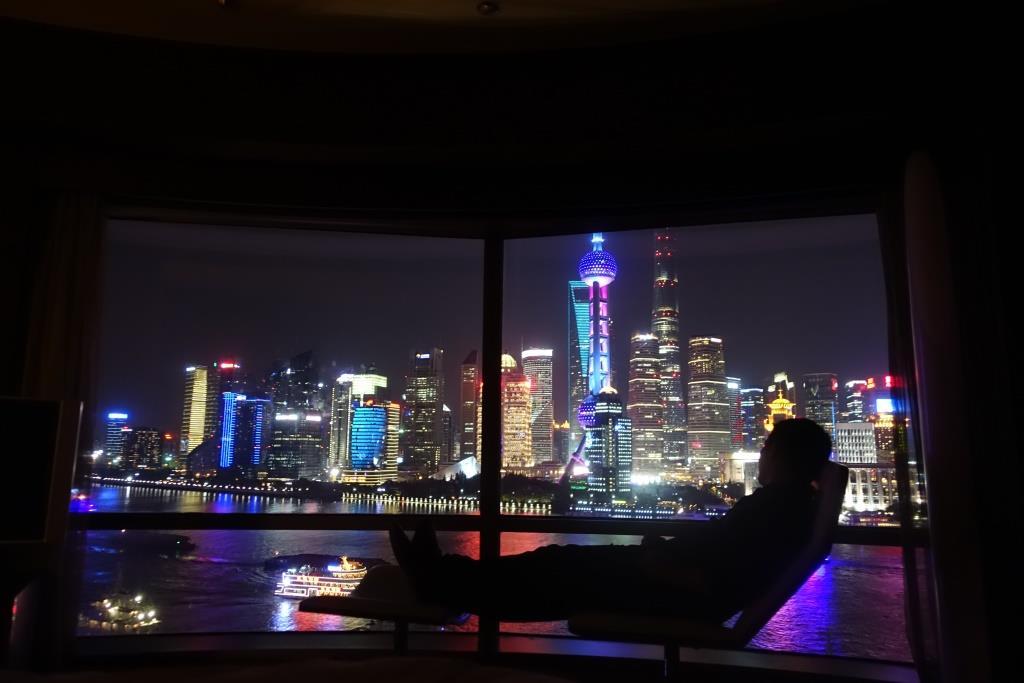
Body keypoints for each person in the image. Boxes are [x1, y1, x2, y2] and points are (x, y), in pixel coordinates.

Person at [390, 418, 831, 622]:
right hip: (661, 574)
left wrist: (658, 561)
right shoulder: (786, 507)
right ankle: (442, 574)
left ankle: (437, 580)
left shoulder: (776, 509)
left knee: (554, 572)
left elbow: (721, 582)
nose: (762, 457)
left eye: (768, 448)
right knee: (555, 561)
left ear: (781, 455)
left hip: (665, 588)